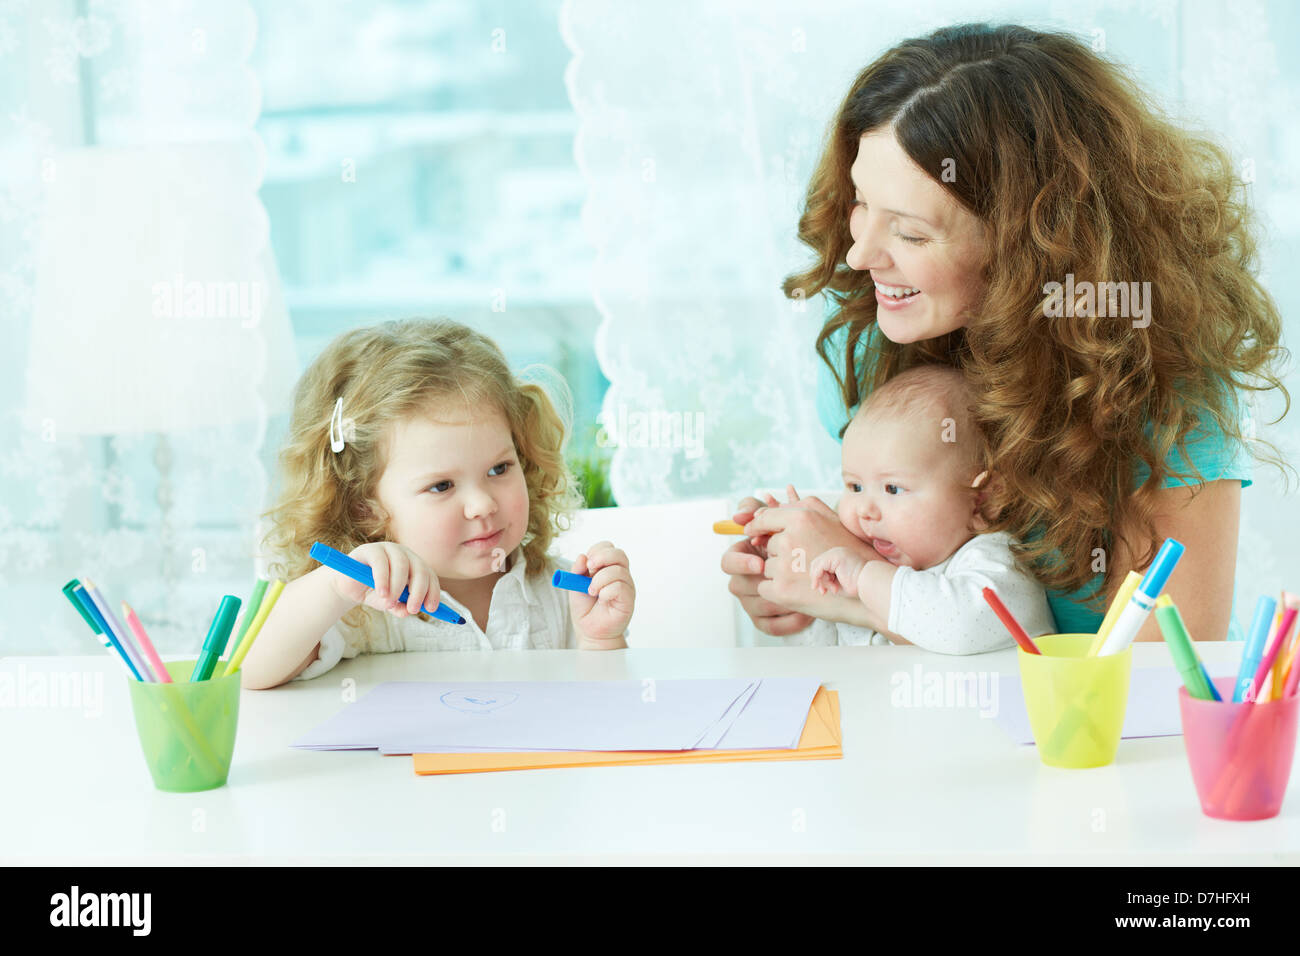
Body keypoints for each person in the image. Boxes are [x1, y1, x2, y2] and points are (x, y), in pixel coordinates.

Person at [723, 22, 1289, 646]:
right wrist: (805, 585)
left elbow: (1159, 665)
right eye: (860, 202)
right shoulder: (867, 344)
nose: (859, 255)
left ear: (1028, 244)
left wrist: (859, 595)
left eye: (910, 232)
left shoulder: (1161, 386)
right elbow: (913, 565)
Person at [241, 318, 634, 689]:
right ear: (365, 506)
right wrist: (333, 586)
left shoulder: (565, 596)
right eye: (442, 486)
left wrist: (601, 640)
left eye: (499, 469)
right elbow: (247, 670)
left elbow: (605, 720)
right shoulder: (361, 609)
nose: (482, 504)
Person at [796, 363, 1054, 651]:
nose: (864, 510)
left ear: (982, 501)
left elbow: (959, 627)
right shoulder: (859, 552)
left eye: (892, 489)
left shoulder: (997, 564)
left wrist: (865, 575)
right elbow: (821, 652)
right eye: (855, 487)